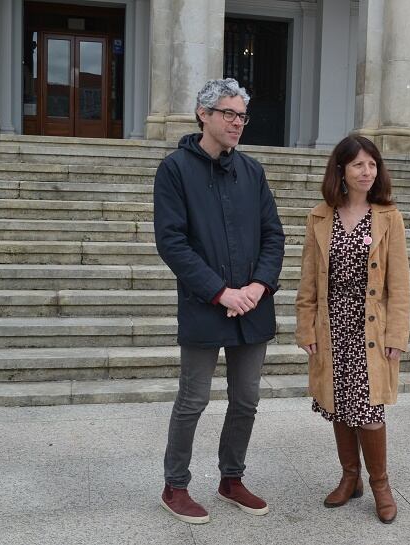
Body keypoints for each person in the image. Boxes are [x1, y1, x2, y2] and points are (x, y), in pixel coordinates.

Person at [153, 78, 285, 524]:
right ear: (202, 114)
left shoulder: (252, 172)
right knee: (193, 400)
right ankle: (175, 486)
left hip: (252, 306)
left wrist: (258, 286)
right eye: (227, 113)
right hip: (204, 304)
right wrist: (220, 291)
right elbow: (172, 243)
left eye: (241, 115)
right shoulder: (174, 170)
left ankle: (232, 479)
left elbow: (273, 236)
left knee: (246, 399)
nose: (236, 122)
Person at [295, 135, 410, 524]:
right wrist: (306, 328)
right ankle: (350, 477)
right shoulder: (320, 216)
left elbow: (400, 285)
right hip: (332, 326)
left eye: (372, 164)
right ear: (341, 170)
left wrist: (397, 336)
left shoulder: (388, 216)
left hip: (371, 328)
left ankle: (380, 484)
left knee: (370, 408)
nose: (367, 171)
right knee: (339, 404)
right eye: (358, 164)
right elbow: (308, 282)